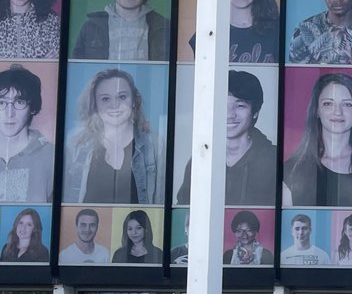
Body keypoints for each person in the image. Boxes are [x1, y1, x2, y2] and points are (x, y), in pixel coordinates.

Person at [284, 72, 352, 208]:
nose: (338, 112)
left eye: (347, 105)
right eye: (328, 104)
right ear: (316, 110)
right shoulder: (292, 171)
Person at [176, 70, 276, 205]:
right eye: (223, 105)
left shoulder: (273, 159)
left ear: (255, 112)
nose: (229, 115)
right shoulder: (201, 160)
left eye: (240, 106)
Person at [64, 68, 163, 205]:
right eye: (105, 99)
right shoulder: (75, 144)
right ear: (95, 104)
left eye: (122, 97)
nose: (114, 105)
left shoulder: (155, 144)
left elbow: (160, 200)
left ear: (134, 101)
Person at [0, 64, 53, 202]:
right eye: (1, 103)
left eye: (19, 102)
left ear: (32, 107)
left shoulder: (51, 155)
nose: (9, 113)